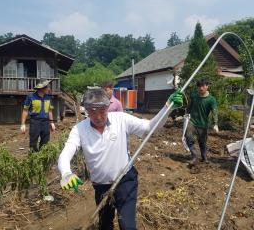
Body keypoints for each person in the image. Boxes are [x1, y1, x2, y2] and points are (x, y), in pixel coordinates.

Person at [58, 88, 183, 230]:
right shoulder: (79, 129)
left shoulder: (121, 119)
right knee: (105, 225)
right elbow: (66, 153)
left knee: (127, 226)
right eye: (92, 111)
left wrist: (167, 107)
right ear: (86, 110)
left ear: (108, 107)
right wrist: (66, 173)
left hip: (125, 180)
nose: (98, 116)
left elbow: (149, 127)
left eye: (102, 111)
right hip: (101, 186)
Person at [185, 78, 219, 164]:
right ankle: (195, 157)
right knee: (189, 139)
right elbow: (189, 106)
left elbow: (214, 111)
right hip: (192, 122)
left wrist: (215, 124)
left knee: (202, 142)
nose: (201, 88)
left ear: (207, 86)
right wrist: (186, 115)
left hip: (203, 124)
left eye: (203, 86)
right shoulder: (194, 96)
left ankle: (204, 157)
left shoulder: (211, 99)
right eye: (199, 86)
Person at [20, 79, 55, 152]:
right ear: (41, 88)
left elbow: (50, 111)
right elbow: (25, 110)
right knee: (33, 142)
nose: (49, 88)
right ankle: (33, 159)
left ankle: (43, 159)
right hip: (35, 122)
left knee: (45, 142)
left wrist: (52, 122)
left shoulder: (48, 97)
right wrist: (23, 124)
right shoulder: (31, 96)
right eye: (47, 87)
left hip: (45, 122)